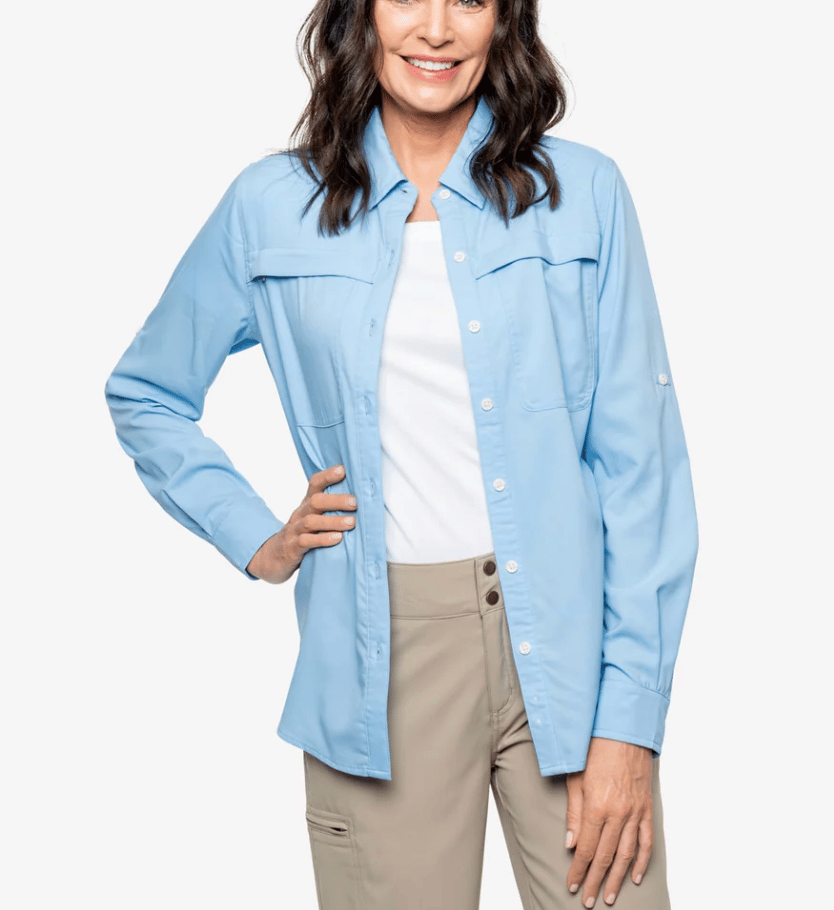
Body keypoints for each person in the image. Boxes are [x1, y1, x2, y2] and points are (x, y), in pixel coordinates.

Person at [104, 0, 699, 907]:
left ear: (505, 21)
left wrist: (630, 721)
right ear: (360, 15)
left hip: (572, 652)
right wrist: (257, 537)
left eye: (470, 0)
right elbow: (148, 392)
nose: (437, 29)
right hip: (381, 663)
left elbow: (642, 473)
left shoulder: (583, 194)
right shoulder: (272, 206)